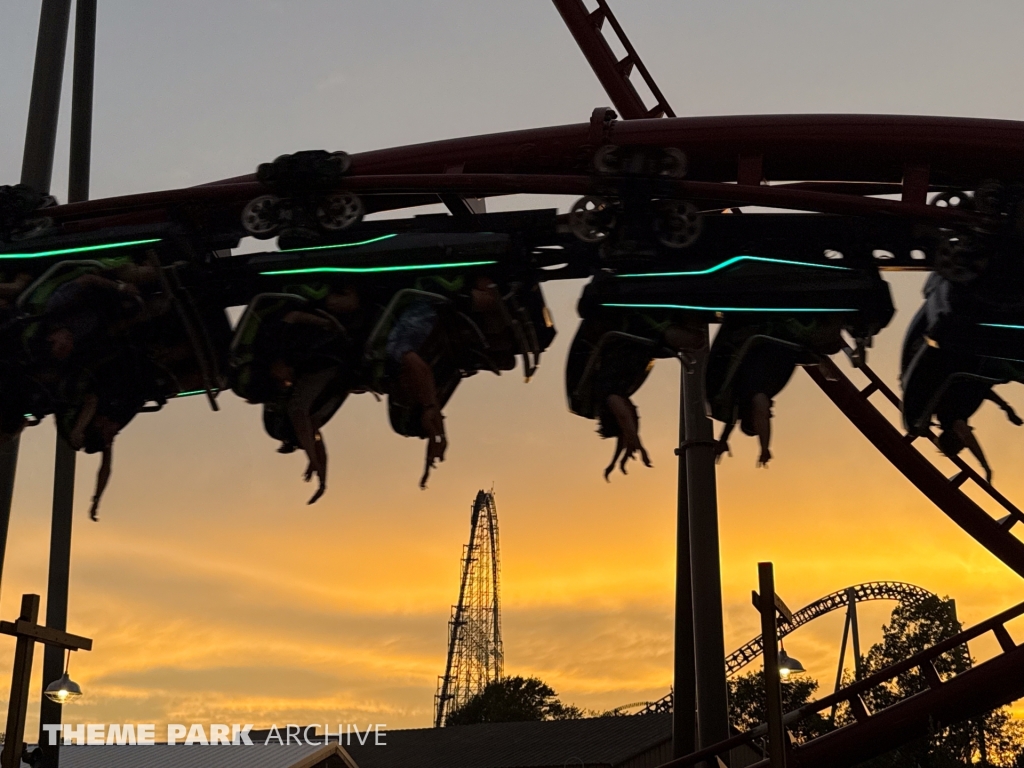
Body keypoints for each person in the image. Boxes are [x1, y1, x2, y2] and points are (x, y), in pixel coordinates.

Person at [384, 275, 509, 487]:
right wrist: (436, 429)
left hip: (435, 294)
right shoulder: (427, 384)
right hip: (443, 303)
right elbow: (425, 382)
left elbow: (417, 369)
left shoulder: (398, 359)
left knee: (488, 301)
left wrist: (434, 425)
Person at [566, 312, 703, 479]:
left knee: (694, 340)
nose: (636, 411)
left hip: (638, 331)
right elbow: (623, 428)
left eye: (634, 415)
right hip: (644, 342)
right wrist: (615, 460)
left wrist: (638, 444)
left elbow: (624, 418)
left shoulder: (609, 395)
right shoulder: (613, 393)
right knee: (693, 340)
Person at [710, 317, 843, 467]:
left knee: (825, 335)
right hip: (789, 344)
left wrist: (764, 448)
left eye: (764, 419)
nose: (770, 414)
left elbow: (749, 414)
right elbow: (731, 421)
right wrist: (724, 440)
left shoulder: (752, 394)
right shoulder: (743, 397)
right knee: (831, 344)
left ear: (753, 417)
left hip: (780, 335)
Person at [934, 379, 1021, 482]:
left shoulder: (949, 414)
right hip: (985, 377)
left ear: (956, 435)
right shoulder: (956, 416)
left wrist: (985, 465)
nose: (967, 443)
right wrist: (1006, 408)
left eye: (963, 442)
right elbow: (984, 391)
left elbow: (970, 440)